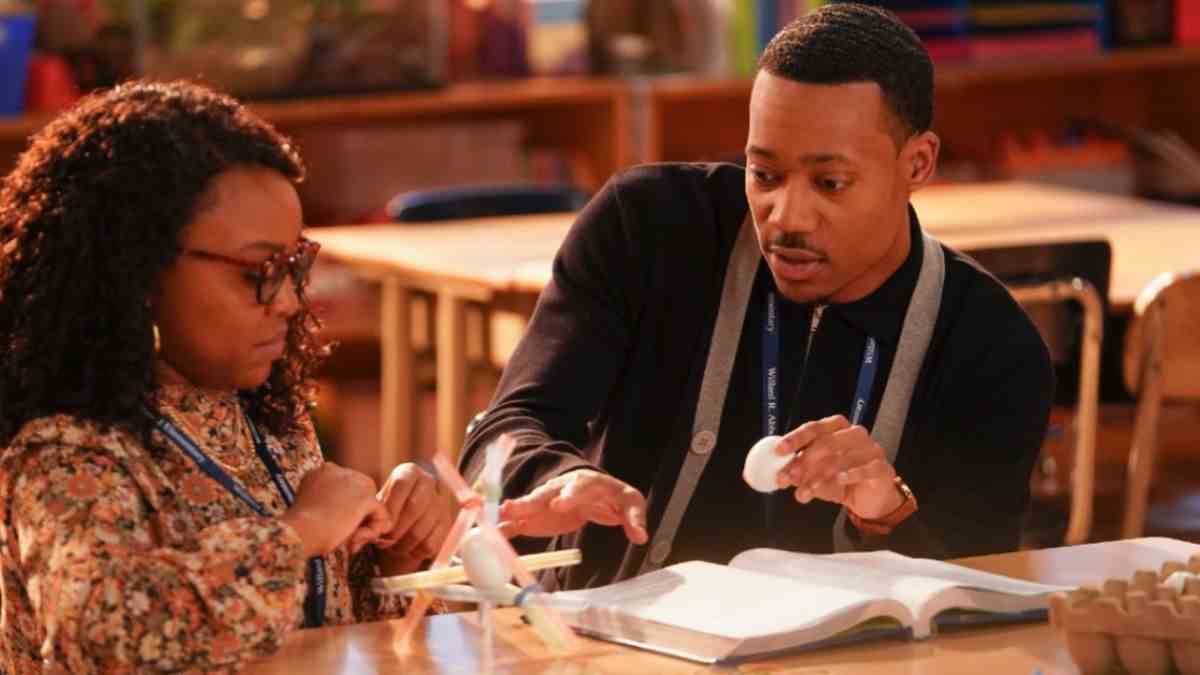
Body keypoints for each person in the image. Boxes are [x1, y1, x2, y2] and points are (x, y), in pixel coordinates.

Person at [460, 3, 1054, 591]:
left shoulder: (992, 346)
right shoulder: (646, 228)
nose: (786, 217)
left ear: (918, 163)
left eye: (830, 183)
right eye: (764, 175)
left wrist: (885, 511)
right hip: (609, 646)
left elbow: (977, 598)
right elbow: (502, 434)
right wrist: (558, 474)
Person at [0, 80, 454, 673]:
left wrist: (397, 564)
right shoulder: (67, 452)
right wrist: (302, 532)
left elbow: (314, 630)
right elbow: (109, 638)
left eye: (295, 265)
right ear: (137, 272)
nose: (291, 300)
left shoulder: (262, 416)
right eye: (258, 271)